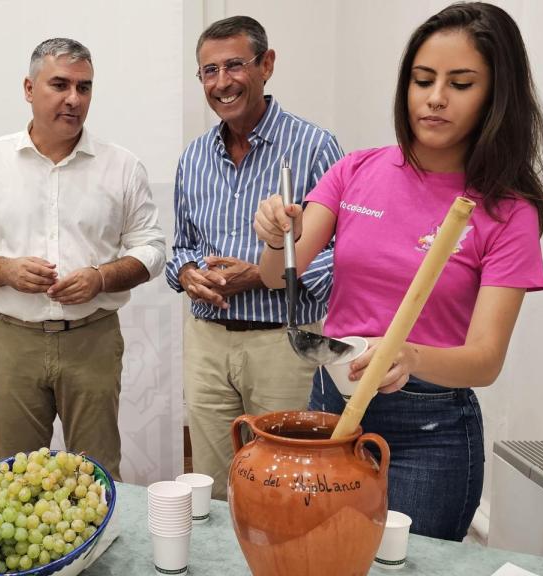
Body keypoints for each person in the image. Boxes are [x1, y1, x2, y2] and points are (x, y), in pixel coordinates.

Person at [254, 3, 543, 541]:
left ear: (494, 97)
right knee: (321, 553)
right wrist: (276, 235)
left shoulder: (506, 210)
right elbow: (277, 275)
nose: (435, 98)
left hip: (430, 430)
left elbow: (484, 361)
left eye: (460, 84)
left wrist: (406, 355)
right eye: (422, 79)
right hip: (332, 402)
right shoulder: (356, 171)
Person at [0, 38, 165, 480]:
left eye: (84, 88)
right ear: (29, 88)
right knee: (15, 476)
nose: (74, 99)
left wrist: (101, 278)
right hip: (14, 341)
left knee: (97, 474)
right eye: (59, 84)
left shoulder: (122, 166)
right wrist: (6, 270)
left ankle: (100, 548)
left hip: (93, 340)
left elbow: (152, 250)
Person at [165, 15, 343, 499]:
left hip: (282, 346)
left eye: (234, 66)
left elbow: (343, 254)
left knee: (287, 481)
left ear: (266, 65)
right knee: (214, 485)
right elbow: (180, 245)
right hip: (206, 342)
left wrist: (265, 276)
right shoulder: (194, 157)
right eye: (208, 71)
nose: (222, 82)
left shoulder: (315, 148)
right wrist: (185, 273)